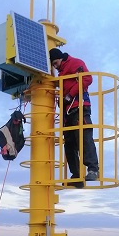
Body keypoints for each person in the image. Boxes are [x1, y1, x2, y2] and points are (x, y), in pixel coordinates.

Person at [50, 48, 99, 187]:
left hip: (80, 107)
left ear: (61, 58)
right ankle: (76, 175)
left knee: (84, 138)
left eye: (56, 63)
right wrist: (62, 101)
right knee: (69, 143)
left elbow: (87, 78)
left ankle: (93, 169)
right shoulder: (61, 74)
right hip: (68, 112)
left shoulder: (74, 63)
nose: (55, 66)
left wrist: (70, 95)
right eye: (53, 65)